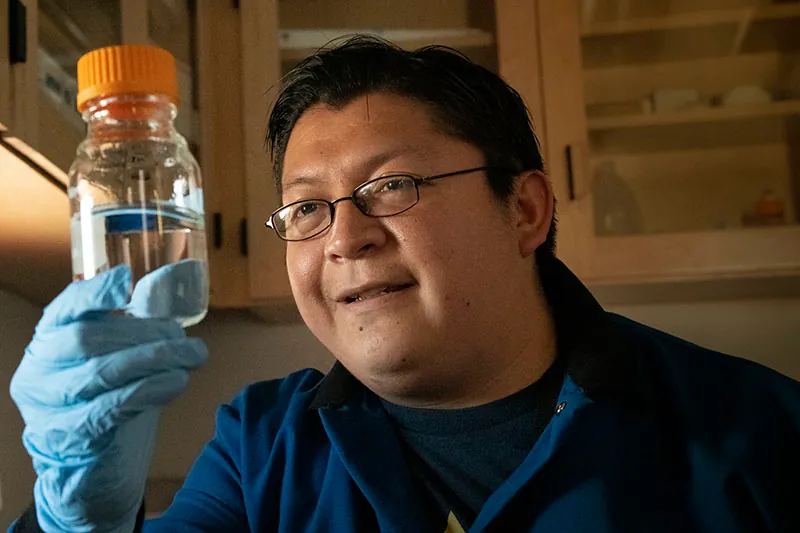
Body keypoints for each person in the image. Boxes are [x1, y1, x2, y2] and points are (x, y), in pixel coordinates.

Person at [9, 36, 800, 533]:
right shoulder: (261, 449)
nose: (346, 236)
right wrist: (81, 520)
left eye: (392, 187)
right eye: (307, 207)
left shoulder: (763, 434)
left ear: (524, 210)